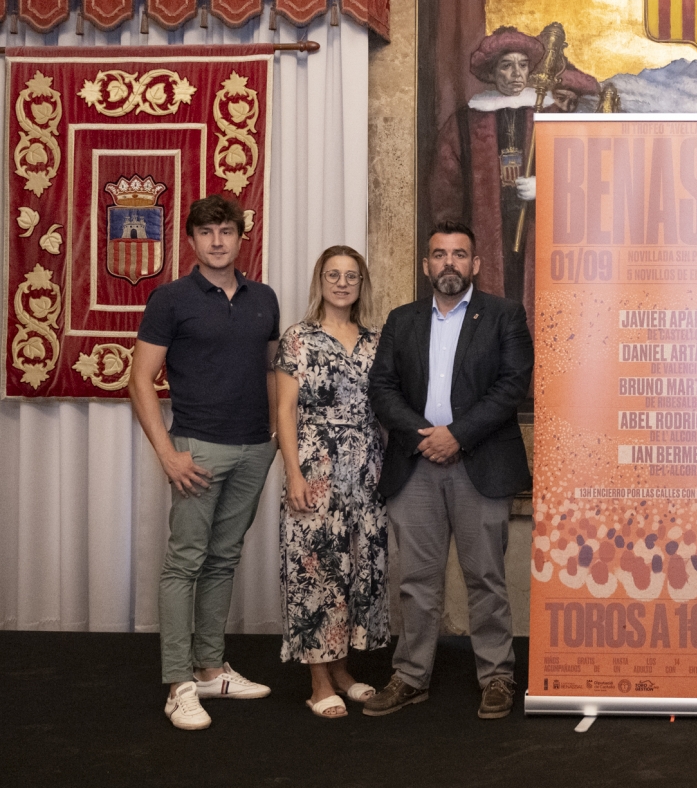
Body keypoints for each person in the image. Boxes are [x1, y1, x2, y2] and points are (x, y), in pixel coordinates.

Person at [364, 222, 534, 719]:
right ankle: (411, 677)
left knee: (485, 576)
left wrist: (457, 434)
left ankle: (497, 676)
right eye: (439, 254)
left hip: (478, 461)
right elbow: (382, 388)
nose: (450, 263)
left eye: (460, 254)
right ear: (426, 266)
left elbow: (511, 385)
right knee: (417, 579)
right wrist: (426, 436)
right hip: (415, 464)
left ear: (476, 264)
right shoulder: (403, 320)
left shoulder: (504, 315)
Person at [128, 194, 279, 731]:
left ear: (241, 238)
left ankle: (213, 668)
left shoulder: (265, 298)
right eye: (207, 232)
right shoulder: (170, 300)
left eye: (227, 232)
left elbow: (270, 372)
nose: (218, 241)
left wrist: (277, 437)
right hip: (198, 450)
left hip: (255, 448)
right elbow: (139, 381)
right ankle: (179, 683)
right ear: (190, 241)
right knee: (184, 563)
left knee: (223, 558)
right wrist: (168, 455)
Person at [274, 246, 388, 719]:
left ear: (362, 284)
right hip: (315, 470)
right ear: (320, 280)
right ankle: (318, 681)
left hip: (366, 473)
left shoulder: (376, 341)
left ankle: (342, 670)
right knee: (316, 571)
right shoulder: (298, 338)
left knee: (356, 571)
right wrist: (293, 472)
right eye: (333, 274)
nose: (342, 283)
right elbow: (283, 410)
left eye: (351, 276)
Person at [430, 26, 549, 331]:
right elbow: (446, 192)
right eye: (506, 66)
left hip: (539, 234)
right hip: (485, 238)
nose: (516, 74)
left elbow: (580, 178)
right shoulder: (464, 122)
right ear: (492, 71)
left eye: (522, 65)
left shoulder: (549, 117)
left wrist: (546, 188)